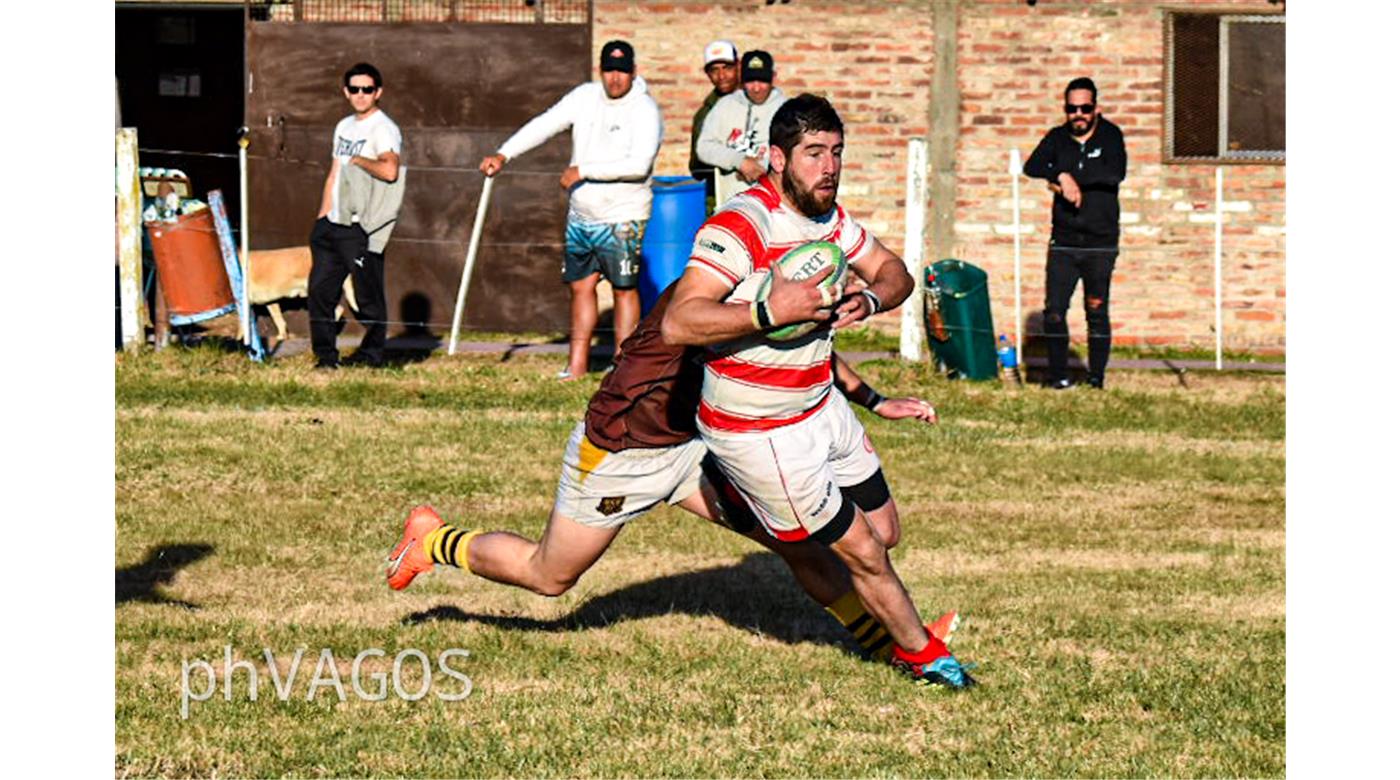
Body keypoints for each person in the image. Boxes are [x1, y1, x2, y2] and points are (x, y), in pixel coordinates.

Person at [387, 281, 957, 665]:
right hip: (621, 454)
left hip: (697, 447)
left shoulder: (764, 282)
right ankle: (432, 540)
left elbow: (801, 349)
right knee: (549, 577)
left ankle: (891, 643)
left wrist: (875, 400)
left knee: (794, 540)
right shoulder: (704, 298)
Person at [662, 94, 975, 689]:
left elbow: (895, 271)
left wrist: (872, 297)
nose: (828, 166)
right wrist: (766, 308)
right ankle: (926, 657)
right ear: (777, 158)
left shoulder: (833, 221)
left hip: (819, 404)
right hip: (759, 429)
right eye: (813, 154)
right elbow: (680, 321)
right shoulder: (740, 226)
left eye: (836, 152)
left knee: (884, 534)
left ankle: (842, 576)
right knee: (861, 550)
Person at [479, 40, 663, 381]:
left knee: (624, 288)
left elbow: (639, 165)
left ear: (634, 72)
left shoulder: (645, 110)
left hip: (624, 213)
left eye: (622, 71)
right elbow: (545, 123)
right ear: (600, 70)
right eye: (609, 70)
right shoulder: (584, 97)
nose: (615, 78)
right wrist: (505, 154)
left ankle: (623, 368)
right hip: (582, 213)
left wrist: (584, 170)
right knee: (580, 286)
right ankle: (576, 366)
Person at [1022, 76, 1127, 389]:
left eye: (1085, 108)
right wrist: (1059, 174)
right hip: (1063, 241)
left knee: (1096, 309)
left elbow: (1114, 173)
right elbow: (1032, 165)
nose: (1078, 114)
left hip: (1100, 241)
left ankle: (1096, 379)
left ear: (1095, 108)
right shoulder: (1057, 138)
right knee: (1054, 312)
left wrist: (1072, 178)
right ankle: (1059, 377)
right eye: (1072, 108)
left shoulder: (1110, 136)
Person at [309, 62, 405, 370]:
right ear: (346, 92)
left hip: (360, 226)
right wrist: (322, 217)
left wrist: (359, 160)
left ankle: (372, 355)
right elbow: (334, 172)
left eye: (367, 89)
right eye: (354, 89)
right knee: (321, 292)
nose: (360, 95)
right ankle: (326, 358)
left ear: (378, 92)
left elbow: (390, 170)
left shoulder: (383, 128)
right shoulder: (344, 126)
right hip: (332, 224)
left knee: (367, 296)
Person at [695, 49, 787, 211]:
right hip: (730, 205)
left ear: (773, 77)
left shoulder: (787, 110)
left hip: (775, 206)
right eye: (750, 81)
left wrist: (761, 169)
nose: (756, 88)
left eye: (763, 81)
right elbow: (703, 147)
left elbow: (795, 155)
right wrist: (739, 162)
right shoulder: (725, 106)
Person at [688, 40, 741, 215]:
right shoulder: (705, 114)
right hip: (720, 197)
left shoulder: (760, 104)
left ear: (738, 66)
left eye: (727, 67)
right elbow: (697, 166)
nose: (721, 75)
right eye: (714, 70)